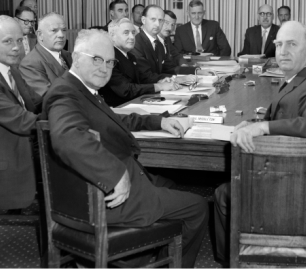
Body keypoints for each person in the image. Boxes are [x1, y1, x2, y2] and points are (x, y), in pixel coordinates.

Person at [44, 30, 208, 268]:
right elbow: (67, 137)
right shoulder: (64, 93)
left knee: (168, 183)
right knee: (198, 207)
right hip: (100, 200)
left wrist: (158, 121)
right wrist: (115, 174)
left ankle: (136, 258)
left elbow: (113, 120)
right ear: (76, 58)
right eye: (97, 59)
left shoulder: (82, 90)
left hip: (101, 187)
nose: (105, 68)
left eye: (110, 62)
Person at [213, 21, 306, 261]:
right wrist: (254, 123)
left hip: (304, 194)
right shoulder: (301, 76)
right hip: (300, 177)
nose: (282, 51)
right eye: (278, 44)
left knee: (224, 194)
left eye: (291, 44)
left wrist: (263, 126)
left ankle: (231, 261)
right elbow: (288, 114)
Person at [0, 16, 42, 210]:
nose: (16, 47)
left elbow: (36, 102)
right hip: (2, 164)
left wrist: (67, 104)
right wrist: (64, 122)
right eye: (8, 41)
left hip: (24, 148)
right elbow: (21, 121)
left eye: (19, 40)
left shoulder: (11, 68)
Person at [100, 18, 180, 107]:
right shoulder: (108, 59)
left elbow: (142, 78)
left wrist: (161, 81)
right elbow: (126, 90)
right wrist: (159, 86)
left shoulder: (130, 56)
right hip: (120, 110)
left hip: (136, 103)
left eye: (133, 33)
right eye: (126, 33)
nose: (131, 37)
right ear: (112, 35)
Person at [19, 12, 73, 96]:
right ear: (40, 35)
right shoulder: (30, 63)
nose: (61, 35)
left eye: (64, 30)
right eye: (54, 30)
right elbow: (49, 98)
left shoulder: (68, 55)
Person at [132, 5, 178, 83]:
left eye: (160, 20)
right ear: (143, 20)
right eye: (153, 19)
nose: (157, 24)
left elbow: (167, 68)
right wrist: (177, 79)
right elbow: (146, 76)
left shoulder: (158, 43)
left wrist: (187, 75)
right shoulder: (136, 43)